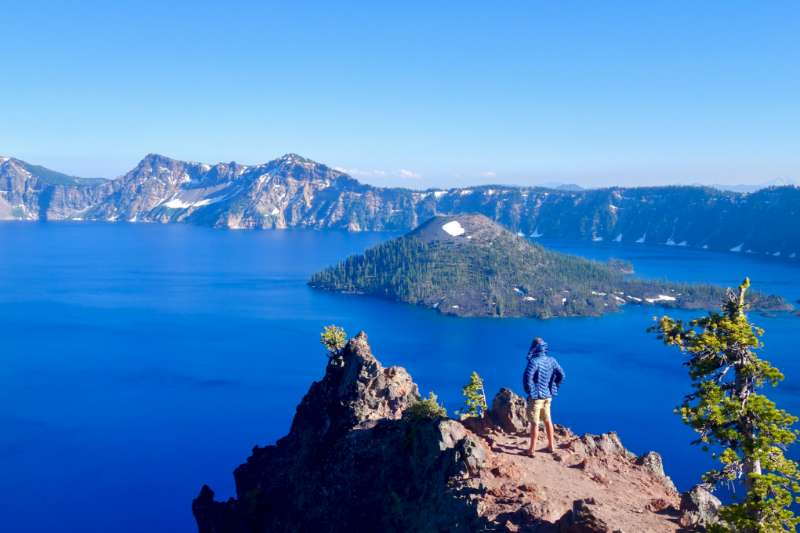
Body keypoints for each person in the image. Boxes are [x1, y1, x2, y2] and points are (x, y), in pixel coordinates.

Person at [522, 337, 565, 457]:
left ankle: (531, 450)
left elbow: (527, 378)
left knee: (534, 423)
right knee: (548, 420)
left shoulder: (534, 362)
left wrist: (531, 391)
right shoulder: (552, 360)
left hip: (536, 398)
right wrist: (554, 386)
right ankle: (551, 446)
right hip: (548, 396)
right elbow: (561, 374)